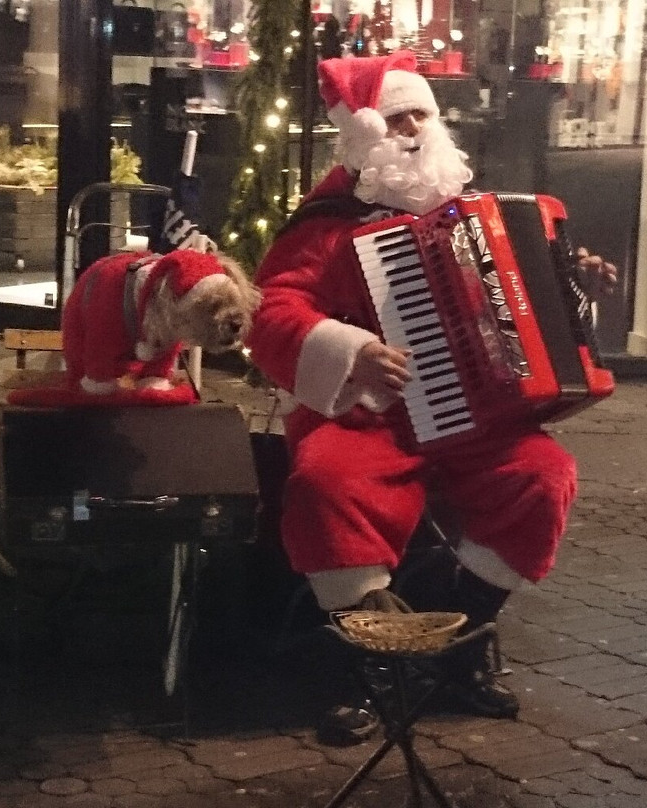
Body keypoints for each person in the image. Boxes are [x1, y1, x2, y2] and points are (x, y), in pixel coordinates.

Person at [244, 51, 617, 745]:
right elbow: (272, 312)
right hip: (368, 417)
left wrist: (572, 287)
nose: (412, 128)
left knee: (544, 475)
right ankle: (373, 667)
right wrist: (349, 352)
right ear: (360, 133)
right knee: (325, 483)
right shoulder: (324, 222)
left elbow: (525, 309)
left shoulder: (471, 212)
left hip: (476, 414)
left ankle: (462, 643)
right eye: (394, 117)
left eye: (421, 113)